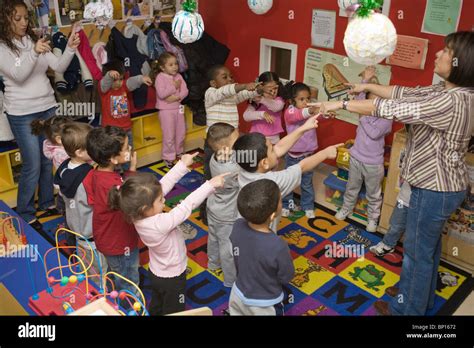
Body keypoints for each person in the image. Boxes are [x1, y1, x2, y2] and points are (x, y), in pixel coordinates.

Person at [315, 31, 474, 315]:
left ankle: (407, 310)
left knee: (416, 253)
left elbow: (391, 108)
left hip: (435, 188)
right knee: (427, 249)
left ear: (461, 62)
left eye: (446, 51)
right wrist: (360, 86)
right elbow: (403, 93)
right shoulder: (448, 91)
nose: (438, 55)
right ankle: (417, 296)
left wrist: (338, 104)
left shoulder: (451, 101)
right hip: (440, 186)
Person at [109, 155, 227, 315]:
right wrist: (210, 185)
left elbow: (160, 187)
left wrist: (181, 165)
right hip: (173, 277)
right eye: (160, 200)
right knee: (174, 309)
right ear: (145, 207)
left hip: (156, 271)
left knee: (158, 301)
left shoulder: (137, 214)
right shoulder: (160, 224)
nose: (164, 201)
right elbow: (186, 205)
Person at [0, 0, 80, 229]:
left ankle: (46, 202)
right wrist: (34, 53)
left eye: (26, 18)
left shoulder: (34, 40)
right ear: (5, 20)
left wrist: (71, 48)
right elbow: (18, 75)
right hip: (21, 112)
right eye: (18, 19)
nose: (24, 22)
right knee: (32, 163)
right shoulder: (2, 47)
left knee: (49, 159)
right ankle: (25, 211)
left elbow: (59, 67)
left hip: (47, 106)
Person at [234, 117, 342, 232]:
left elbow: (279, 148)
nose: (275, 150)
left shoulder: (244, 165)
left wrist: (304, 128)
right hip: (263, 236)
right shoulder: (273, 182)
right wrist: (325, 153)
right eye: (271, 150)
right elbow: (302, 166)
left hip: (241, 229)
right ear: (264, 163)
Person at [334, 66, 393, 232]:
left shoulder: (387, 118)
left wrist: (362, 115)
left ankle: (373, 219)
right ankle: (346, 208)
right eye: (369, 101)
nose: (371, 105)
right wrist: (365, 80)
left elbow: (374, 133)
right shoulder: (363, 108)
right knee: (351, 187)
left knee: (373, 194)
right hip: (356, 157)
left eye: (376, 101)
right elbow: (357, 99)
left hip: (373, 164)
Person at [84, 126, 139, 295]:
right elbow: (131, 201)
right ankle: (131, 307)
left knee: (115, 272)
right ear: (113, 159)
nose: (130, 149)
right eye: (126, 148)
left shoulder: (94, 173)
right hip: (120, 243)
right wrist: (133, 171)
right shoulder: (112, 185)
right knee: (129, 281)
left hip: (106, 239)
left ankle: (114, 295)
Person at [229, 179, 294, 316]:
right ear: (272, 216)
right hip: (265, 304)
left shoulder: (237, 226)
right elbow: (286, 276)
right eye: (281, 201)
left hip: (237, 293)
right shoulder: (278, 245)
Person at [54, 122, 107, 276]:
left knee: (87, 269)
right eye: (90, 148)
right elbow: (101, 202)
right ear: (79, 152)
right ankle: (102, 297)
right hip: (93, 236)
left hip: (77, 231)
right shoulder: (89, 176)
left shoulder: (63, 168)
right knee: (101, 272)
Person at [99, 59, 152, 170]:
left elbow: (131, 81)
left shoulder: (123, 86)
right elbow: (104, 83)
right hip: (112, 132)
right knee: (114, 153)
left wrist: (141, 79)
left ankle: (129, 170)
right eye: (115, 80)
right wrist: (109, 75)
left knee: (128, 152)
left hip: (126, 129)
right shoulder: (104, 90)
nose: (119, 83)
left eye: (121, 79)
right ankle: (116, 174)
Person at [205, 123, 240, 287]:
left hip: (213, 208)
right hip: (227, 215)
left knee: (213, 238)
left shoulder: (215, 157)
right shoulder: (232, 169)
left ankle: (213, 263)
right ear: (226, 148)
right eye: (236, 142)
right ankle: (230, 279)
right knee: (228, 249)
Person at [281, 82, 321, 219]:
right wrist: (310, 110)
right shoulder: (290, 111)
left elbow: (317, 115)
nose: (306, 102)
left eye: (308, 99)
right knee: (290, 182)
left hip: (308, 155)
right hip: (293, 155)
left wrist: (326, 113)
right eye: (301, 99)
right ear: (292, 100)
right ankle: (287, 205)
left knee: (306, 183)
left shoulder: (308, 110)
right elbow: (297, 116)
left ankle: (308, 206)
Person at [153, 52, 189, 167]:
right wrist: (174, 86)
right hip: (166, 111)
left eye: (176, 64)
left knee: (181, 132)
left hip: (178, 108)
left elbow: (185, 90)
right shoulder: (160, 77)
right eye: (171, 64)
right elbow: (162, 94)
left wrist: (177, 97)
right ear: (162, 67)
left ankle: (179, 152)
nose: (175, 67)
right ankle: (168, 157)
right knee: (169, 135)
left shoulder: (179, 76)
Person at [370, 180, 411, 256]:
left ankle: (412, 254)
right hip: (402, 200)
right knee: (395, 223)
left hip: (419, 204)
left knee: (416, 231)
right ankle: (388, 244)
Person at [243, 71, 285, 145]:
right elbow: (246, 116)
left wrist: (261, 99)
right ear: (261, 87)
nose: (272, 92)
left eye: (275, 88)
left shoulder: (279, 100)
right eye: (269, 88)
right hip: (256, 137)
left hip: (273, 138)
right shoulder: (255, 100)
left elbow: (276, 107)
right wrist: (262, 114)